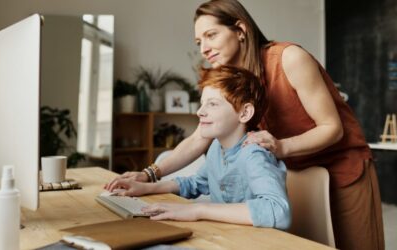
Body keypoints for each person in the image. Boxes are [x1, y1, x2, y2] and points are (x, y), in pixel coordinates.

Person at [106, 0, 384, 249]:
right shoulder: (228, 77)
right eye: (198, 41)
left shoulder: (289, 58)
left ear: (240, 30)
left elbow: (331, 128)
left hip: (342, 168)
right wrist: (148, 174)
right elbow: (198, 138)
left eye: (211, 35)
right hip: (294, 169)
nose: (204, 48)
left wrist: (281, 146)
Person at [107, 65, 291, 229]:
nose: (200, 111)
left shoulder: (254, 154)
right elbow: (197, 183)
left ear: (244, 113)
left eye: (212, 104)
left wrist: (199, 210)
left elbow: (278, 211)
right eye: (202, 103)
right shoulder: (216, 147)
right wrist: (146, 187)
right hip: (224, 236)